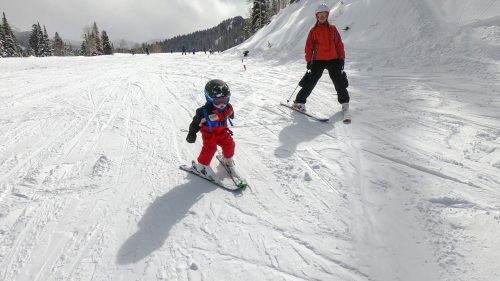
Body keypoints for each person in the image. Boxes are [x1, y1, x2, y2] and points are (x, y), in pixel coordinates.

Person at [293, 3, 349, 114]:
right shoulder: (313, 31)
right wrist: (309, 61)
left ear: (327, 16)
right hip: (318, 61)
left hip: (334, 60)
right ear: (317, 17)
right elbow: (308, 48)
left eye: (324, 14)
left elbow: (339, 44)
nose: (322, 17)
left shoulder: (333, 29)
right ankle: (299, 103)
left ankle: (345, 103)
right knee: (311, 81)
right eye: (320, 15)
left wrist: (341, 58)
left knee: (339, 82)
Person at [186, 79, 235, 181]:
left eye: (225, 100)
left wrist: (231, 115)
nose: (222, 104)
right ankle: (201, 167)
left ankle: (227, 159)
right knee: (210, 148)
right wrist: (192, 133)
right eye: (218, 101)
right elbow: (195, 124)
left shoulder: (227, 107)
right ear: (209, 98)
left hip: (222, 132)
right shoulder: (203, 112)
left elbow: (230, 111)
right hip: (210, 134)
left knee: (230, 144)